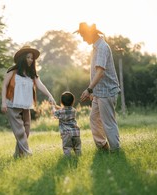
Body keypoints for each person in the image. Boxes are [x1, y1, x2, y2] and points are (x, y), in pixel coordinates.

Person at [1, 45, 56, 158]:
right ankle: (27, 153)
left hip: (26, 106)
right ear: (22, 58)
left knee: (26, 130)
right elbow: (4, 86)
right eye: (28, 57)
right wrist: (3, 102)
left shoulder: (32, 74)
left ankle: (18, 154)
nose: (31, 60)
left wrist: (50, 95)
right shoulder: (13, 71)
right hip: (12, 105)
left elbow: (40, 85)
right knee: (20, 131)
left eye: (32, 58)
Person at [74, 22, 121, 152]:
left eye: (83, 35)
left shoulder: (101, 47)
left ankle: (116, 150)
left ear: (90, 34)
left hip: (107, 92)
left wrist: (89, 89)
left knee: (108, 123)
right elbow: (96, 73)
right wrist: (93, 92)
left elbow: (100, 72)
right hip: (99, 92)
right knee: (94, 119)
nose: (83, 39)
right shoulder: (96, 47)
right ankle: (102, 146)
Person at [52, 91, 81, 157]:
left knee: (67, 148)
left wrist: (53, 107)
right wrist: (57, 106)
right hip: (76, 133)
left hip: (66, 134)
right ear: (73, 102)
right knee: (77, 147)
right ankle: (79, 157)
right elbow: (64, 110)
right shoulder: (74, 110)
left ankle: (68, 159)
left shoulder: (60, 112)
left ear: (61, 102)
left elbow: (54, 113)